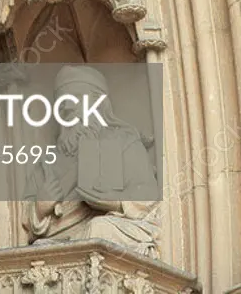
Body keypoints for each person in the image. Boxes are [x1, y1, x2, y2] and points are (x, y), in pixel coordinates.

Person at [23, 67, 160, 254]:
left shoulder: (122, 141)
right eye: (61, 102)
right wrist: (39, 208)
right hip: (62, 236)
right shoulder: (48, 162)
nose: (67, 108)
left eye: (74, 98)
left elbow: (147, 194)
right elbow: (24, 222)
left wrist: (114, 202)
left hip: (107, 227)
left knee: (99, 229)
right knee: (38, 251)